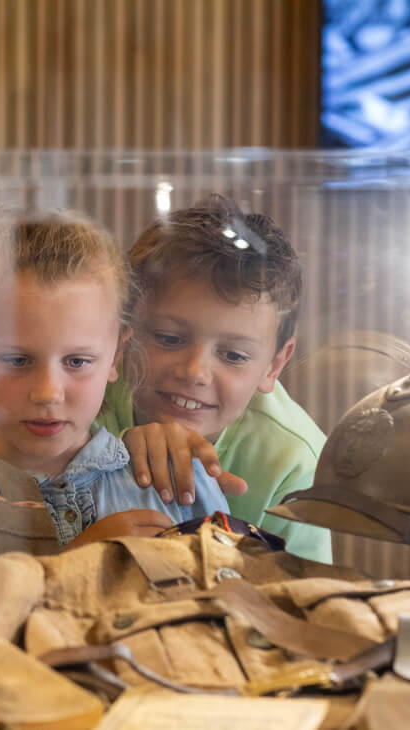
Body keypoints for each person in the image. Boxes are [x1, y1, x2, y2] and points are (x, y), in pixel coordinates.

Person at [0, 208, 228, 549]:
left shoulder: (176, 482)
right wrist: (73, 563)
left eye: (77, 361)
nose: (48, 393)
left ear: (116, 354)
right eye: (17, 360)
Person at [98, 196, 333, 563]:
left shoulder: (295, 464)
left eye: (234, 355)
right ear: (124, 329)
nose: (194, 371)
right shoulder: (85, 397)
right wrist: (114, 455)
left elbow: (301, 600)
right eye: (169, 338)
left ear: (273, 365)